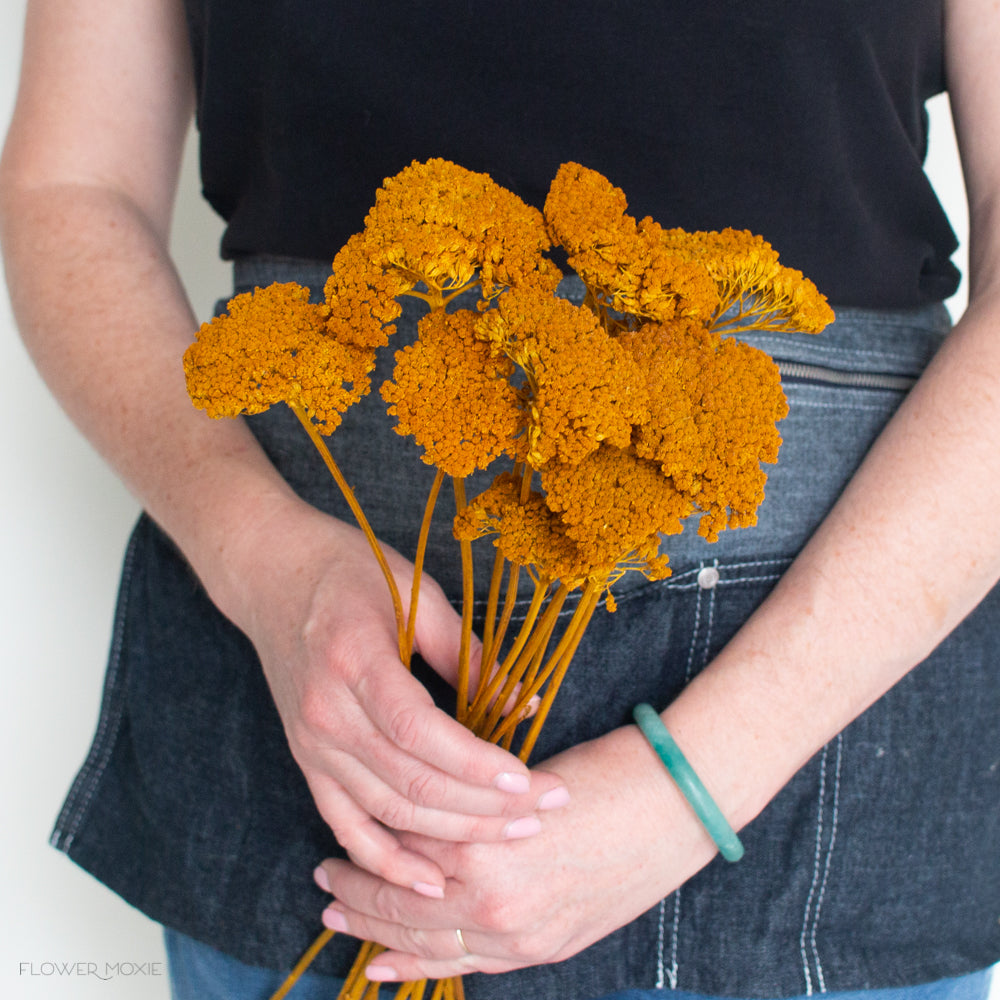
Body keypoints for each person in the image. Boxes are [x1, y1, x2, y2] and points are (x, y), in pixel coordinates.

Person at [1, 2, 997, 1000]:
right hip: (307, 701)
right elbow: (72, 186)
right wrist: (262, 554)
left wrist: (699, 782)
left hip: (815, 725)